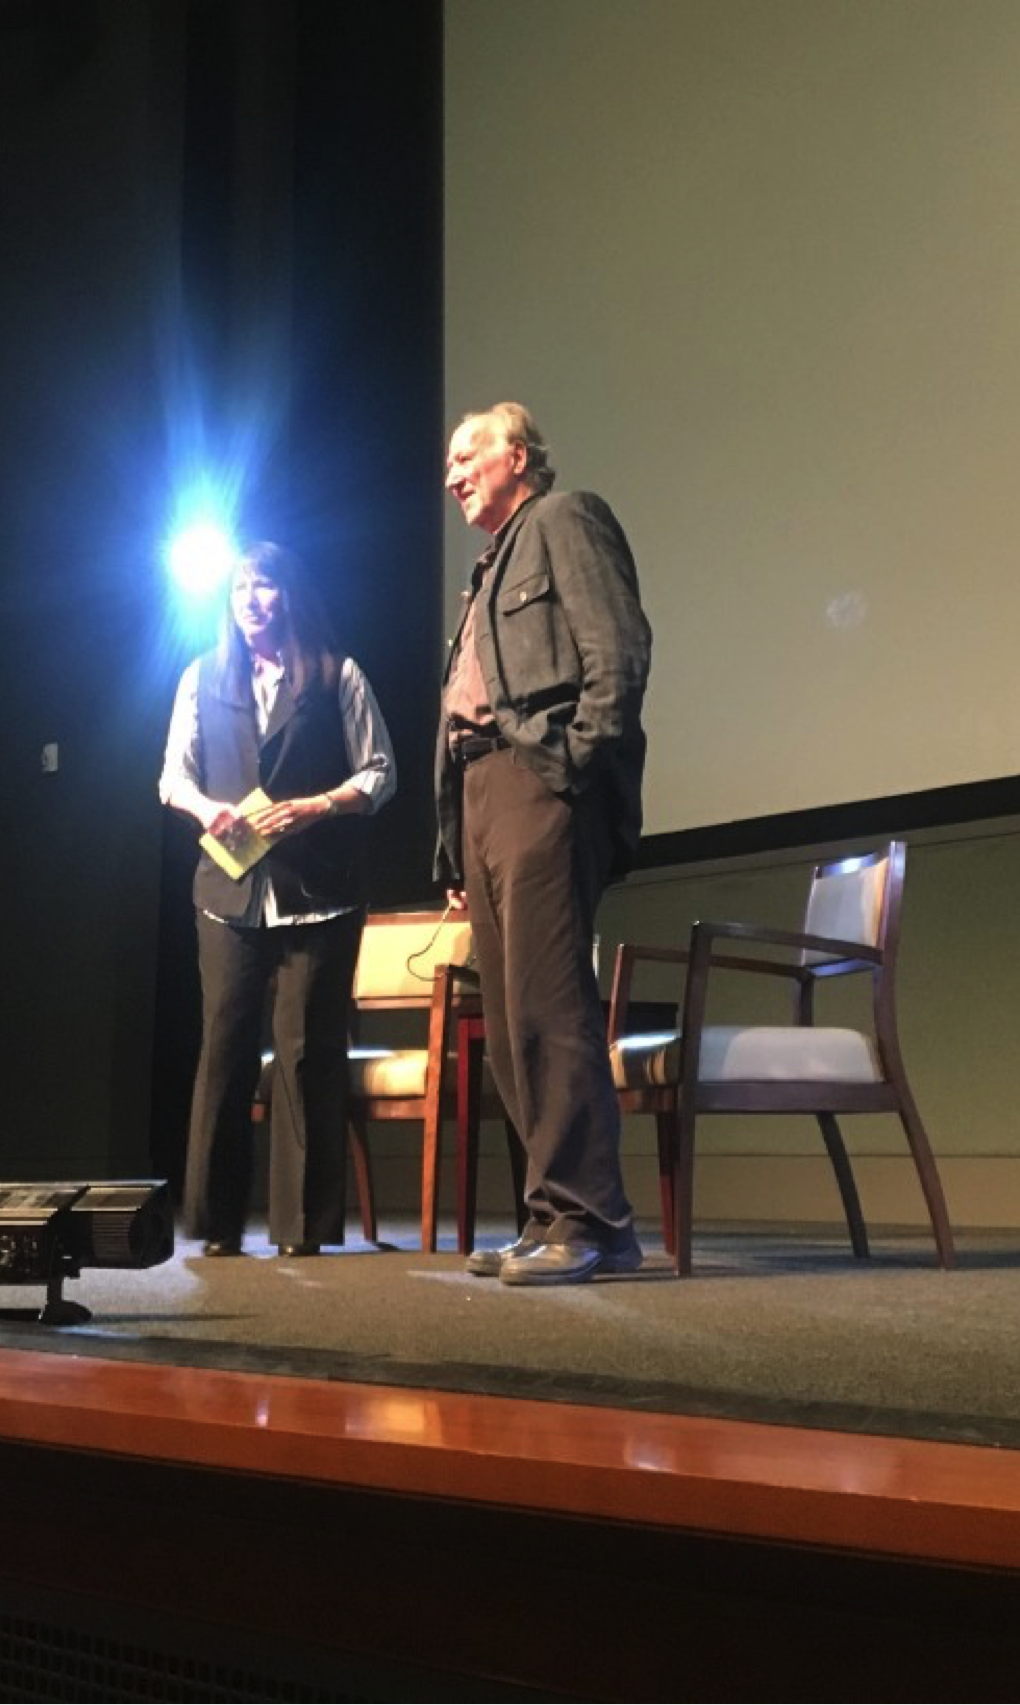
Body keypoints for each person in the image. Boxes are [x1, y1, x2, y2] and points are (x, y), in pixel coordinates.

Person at [436, 402, 652, 1285]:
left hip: (539, 781)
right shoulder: (484, 574)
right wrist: (453, 842)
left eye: (467, 454)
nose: (452, 473)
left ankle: (595, 1220)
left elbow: (620, 648)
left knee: (551, 1003)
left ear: (516, 455)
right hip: (483, 794)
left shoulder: (564, 518)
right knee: (512, 1017)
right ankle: (549, 1212)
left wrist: (575, 763)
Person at [159, 540, 396, 1257]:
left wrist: (317, 806)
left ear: (289, 594)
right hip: (228, 890)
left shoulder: (336, 673)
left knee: (305, 1053)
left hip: (317, 892)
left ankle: (304, 1229)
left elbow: (380, 772)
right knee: (225, 1048)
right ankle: (216, 1224)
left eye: (264, 587)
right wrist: (208, 811)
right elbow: (172, 776)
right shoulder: (202, 676)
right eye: (239, 590)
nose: (252, 600)